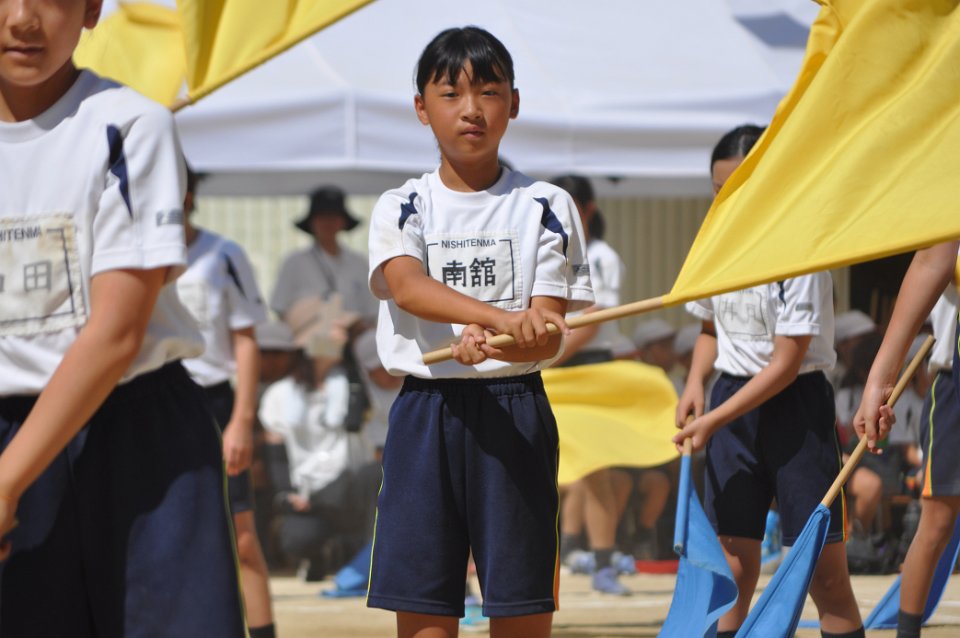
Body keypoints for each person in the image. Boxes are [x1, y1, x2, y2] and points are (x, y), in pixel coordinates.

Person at [0, 2, 244, 635]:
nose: (23, 18)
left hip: (137, 439)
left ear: (90, 10)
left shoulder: (130, 125)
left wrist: (6, 482)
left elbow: (116, 333)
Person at [365, 26, 593, 638]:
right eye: (451, 94)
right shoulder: (402, 204)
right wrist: (493, 320)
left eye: (489, 92)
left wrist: (517, 334)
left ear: (513, 104)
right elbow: (407, 286)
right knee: (424, 612)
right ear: (422, 108)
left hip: (516, 409)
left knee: (520, 608)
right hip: (425, 412)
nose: (471, 110)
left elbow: (548, 333)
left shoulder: (547, 204)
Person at [673, 124, 864, 638]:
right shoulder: (714, 242)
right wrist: (695, 382)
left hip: (796, 407)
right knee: (732, 569)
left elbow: (786, 362)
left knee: (823, 574)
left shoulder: (800, 249)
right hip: (729, 405)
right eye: (719, 191)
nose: (727, 202)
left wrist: (712, 420)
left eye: (740, 188)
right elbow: (709, 328)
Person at [177, 167, 276, 637]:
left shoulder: (222, 254)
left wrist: (242, 420)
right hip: (149, 402)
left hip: (214, 402)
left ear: (188, 196)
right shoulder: (128, 252)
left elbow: (246, 339)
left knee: (241, 534)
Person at [857, 243, 960, 638]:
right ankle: (907, 631)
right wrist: (880, 379)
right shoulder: (948, 213)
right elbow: (931, 261)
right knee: (936, 521)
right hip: (954, 379)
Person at [548, 174, 636, 595]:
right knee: (549, 468)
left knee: (596, 469)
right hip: (546, 365)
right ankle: (558, 554)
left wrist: (543, 357)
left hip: (583, 368)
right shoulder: (542, 250)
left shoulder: (600, 256)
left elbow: (594, 320)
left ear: (588, 210)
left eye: (571, 207)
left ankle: (602, 561)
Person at [259, 297, 380, 582]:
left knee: (377, 474)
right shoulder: (280, 394)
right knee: (297, 537)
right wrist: (285, 494)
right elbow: (276, 452)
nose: (341, 339)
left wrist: (350, 358)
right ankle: (321, 557)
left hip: (351, 488)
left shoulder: (355, 385)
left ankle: (370, 564)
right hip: (308, 492)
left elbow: (362, 415)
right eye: (335, 331)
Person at [270, 185, 377, 326]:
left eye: (334, 216)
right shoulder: (294, 262)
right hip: (307, 334)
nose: (328, 222)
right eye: (322, 217)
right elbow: (280, 308)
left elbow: (372, 311)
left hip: (355, 333)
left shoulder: (360, 263)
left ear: (343, 221)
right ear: (312, 222)